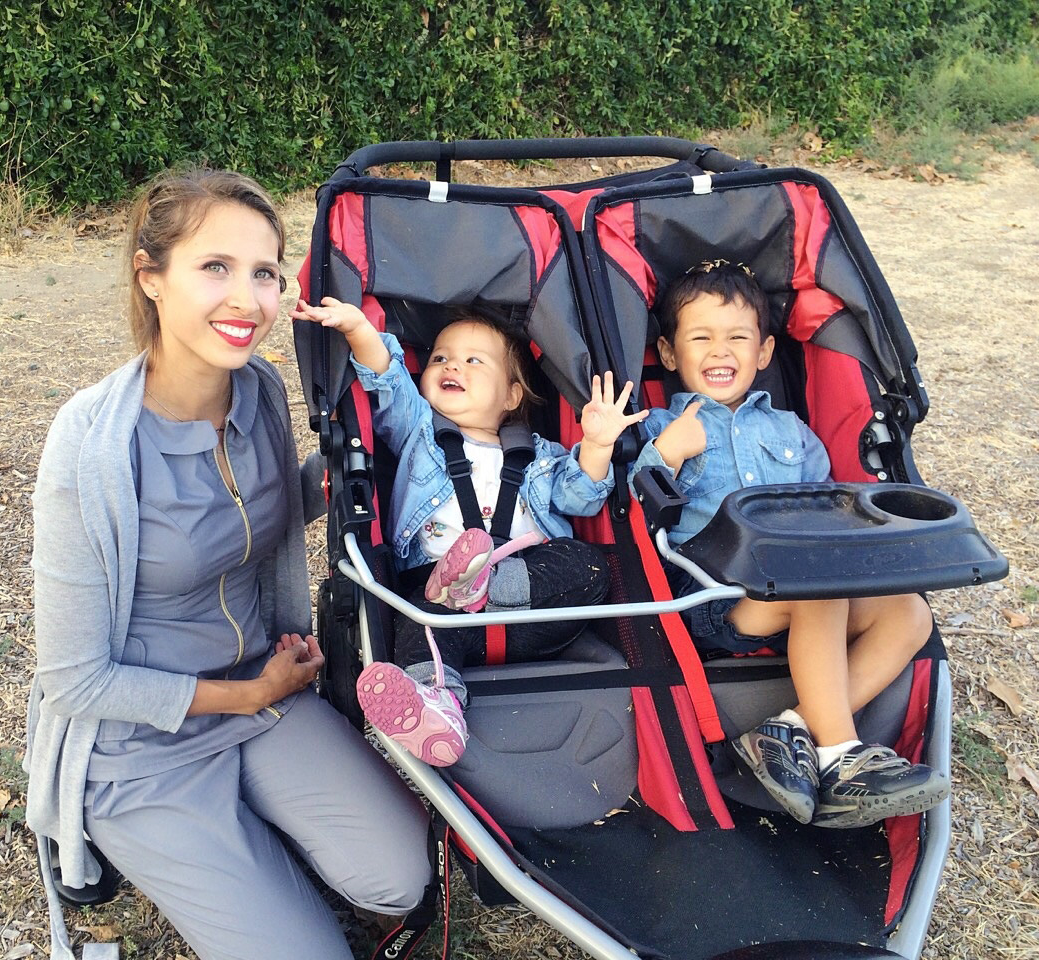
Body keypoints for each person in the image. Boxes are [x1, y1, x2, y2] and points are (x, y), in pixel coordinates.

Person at [25, 169, 429, 960]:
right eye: (215, 267)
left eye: (265, 273)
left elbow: (271, 506)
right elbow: (76, 680)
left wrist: (365, 465)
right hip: (142, 740)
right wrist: (251, 692)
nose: (246, 300)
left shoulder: (261, 392)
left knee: (402, 881)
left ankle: (249, 845)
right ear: (152, 278)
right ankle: (146, 839)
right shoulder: (91, 444)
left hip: (263, 690)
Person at [630, 259, 949, 829]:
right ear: (670, 353)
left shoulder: (792, 431)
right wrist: (666, 455)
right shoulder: (658, 426)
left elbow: (831, 507)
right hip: (714, 596)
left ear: (765, 351)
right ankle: (841, 756)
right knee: (815, 585)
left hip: (800, 579)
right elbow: (633, 505)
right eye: (700, 337)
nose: (720, 350)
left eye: (737, 337)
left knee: (909, 614)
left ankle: (788, 730)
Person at [292, 297, 646, 767]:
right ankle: (438, 708)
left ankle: (482, 582)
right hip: (440, 604)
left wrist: (598, 446)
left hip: (530, 614)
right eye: (440, 357)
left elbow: (580, 498)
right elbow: (389, 380)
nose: (451, 365)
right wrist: (359, 329)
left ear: (512, 396)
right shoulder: (419, 431)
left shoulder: (542, 455)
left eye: (473, 360)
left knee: (588, 564)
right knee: (417, 619)